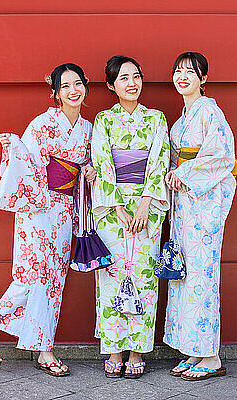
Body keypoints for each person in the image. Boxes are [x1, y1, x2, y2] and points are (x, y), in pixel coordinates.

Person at [0, 63, 96, 376]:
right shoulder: (43, 124)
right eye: (65, 86)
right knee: (34, 275)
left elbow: (92, 164)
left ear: (85, 87)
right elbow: (27, 165)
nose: (73, 91)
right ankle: (7, 335)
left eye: (77, 84)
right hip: (39, 210)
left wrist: (90, 173)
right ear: (55, 93)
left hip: (68, 210)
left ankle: (33, 345)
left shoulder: (89, 129)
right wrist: (13, 149)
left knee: (54, 280)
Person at [91, 56, 170, 378]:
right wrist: (118, 205)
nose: (131, 83)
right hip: (112, 209)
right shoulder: (103, 120)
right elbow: (101, 161)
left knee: (144, 279)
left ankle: (137, 349)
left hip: (148, 207)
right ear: (111, 85)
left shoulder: (156, 119)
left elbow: (160, 159)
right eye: (123, 78)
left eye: (136, 76)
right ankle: (113, 349)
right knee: (111, 279)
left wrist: (145, 203)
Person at [164, 52, 237, 381]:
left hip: (203, 205)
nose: (183, 76)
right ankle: (193, 350)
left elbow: (222, 156)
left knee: (203, 279)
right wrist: (172, 174)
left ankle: (211, 355)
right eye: (178, 71)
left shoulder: (209, 111)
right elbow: (174, 160)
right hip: (184, 206)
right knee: (185, 277)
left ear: (203, 79)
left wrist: (184, 171)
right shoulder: (180, 121)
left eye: (190, 72)